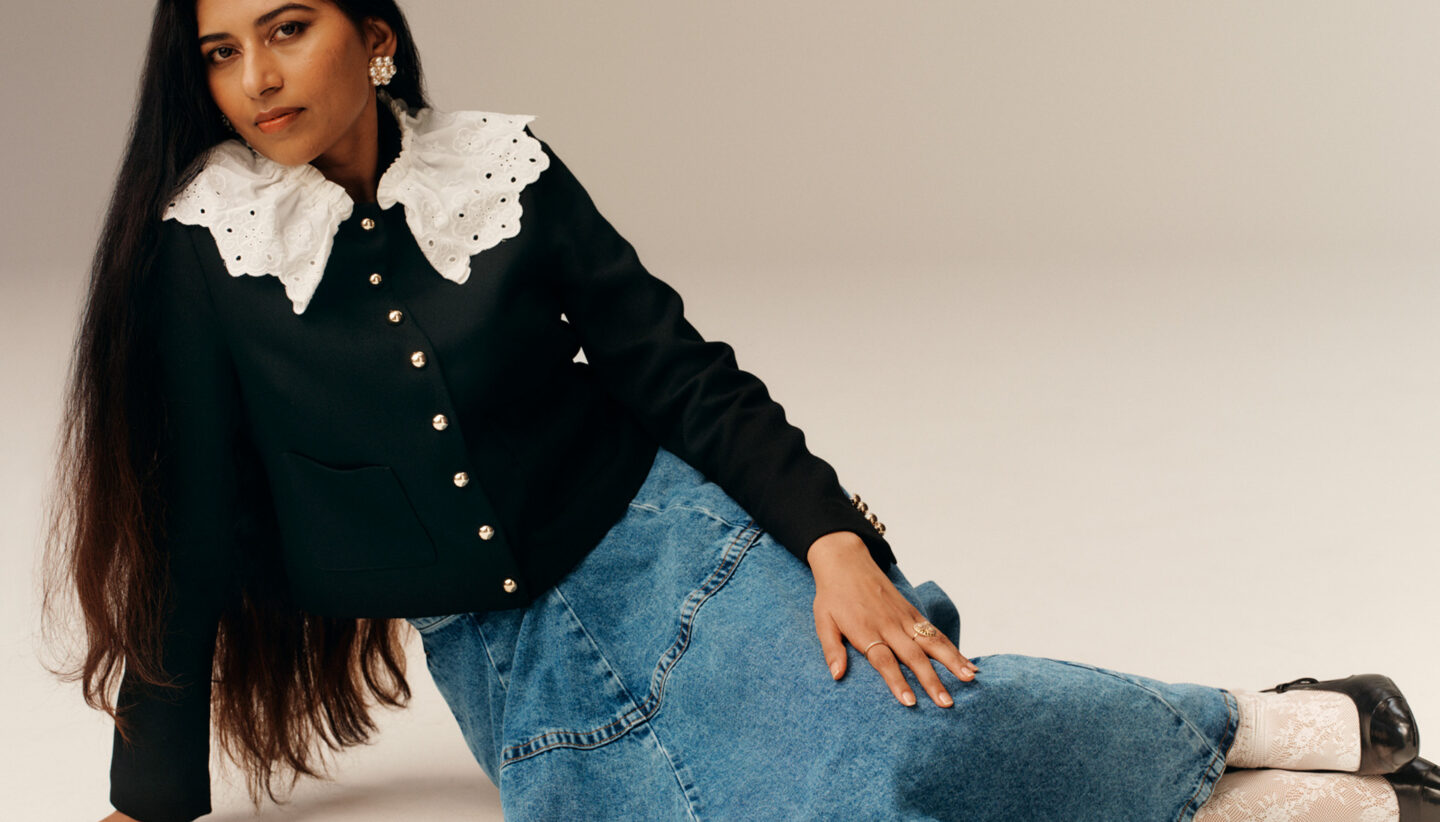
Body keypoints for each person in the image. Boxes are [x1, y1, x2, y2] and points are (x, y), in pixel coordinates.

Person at [39, 1, 1437, 820]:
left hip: (663, 546)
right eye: (222, 51)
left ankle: (1257, 728)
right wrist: (147, 794)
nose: (259, 79)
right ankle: (1268, 797)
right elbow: (198, 521)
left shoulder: (502, 168)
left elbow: (672, 367)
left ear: (380, 39)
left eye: (289, 29)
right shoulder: (206, 248)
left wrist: (829, 539)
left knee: (905, 738)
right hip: (510, 658)